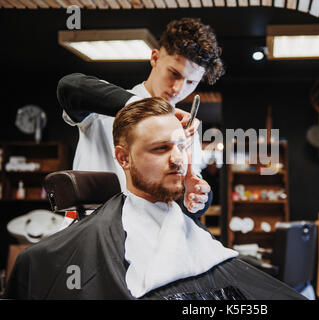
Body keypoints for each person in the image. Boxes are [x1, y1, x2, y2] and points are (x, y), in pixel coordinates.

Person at [3, 98, 306, 300]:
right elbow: (70, 85)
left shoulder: (183, 221)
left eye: (179, 146)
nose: (177, 159)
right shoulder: (62, 253)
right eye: (160, 149)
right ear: (123, 158)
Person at [57, 17, 224, 216]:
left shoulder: (185, 129)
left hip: (145, 238)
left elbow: (192, 201)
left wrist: (196, 194)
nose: (179, 88)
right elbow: (70, 87)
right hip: (90, 232)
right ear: (155, 58)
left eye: (191, 82)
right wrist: (146, 107)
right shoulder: (104, 107)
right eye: (174, 73)